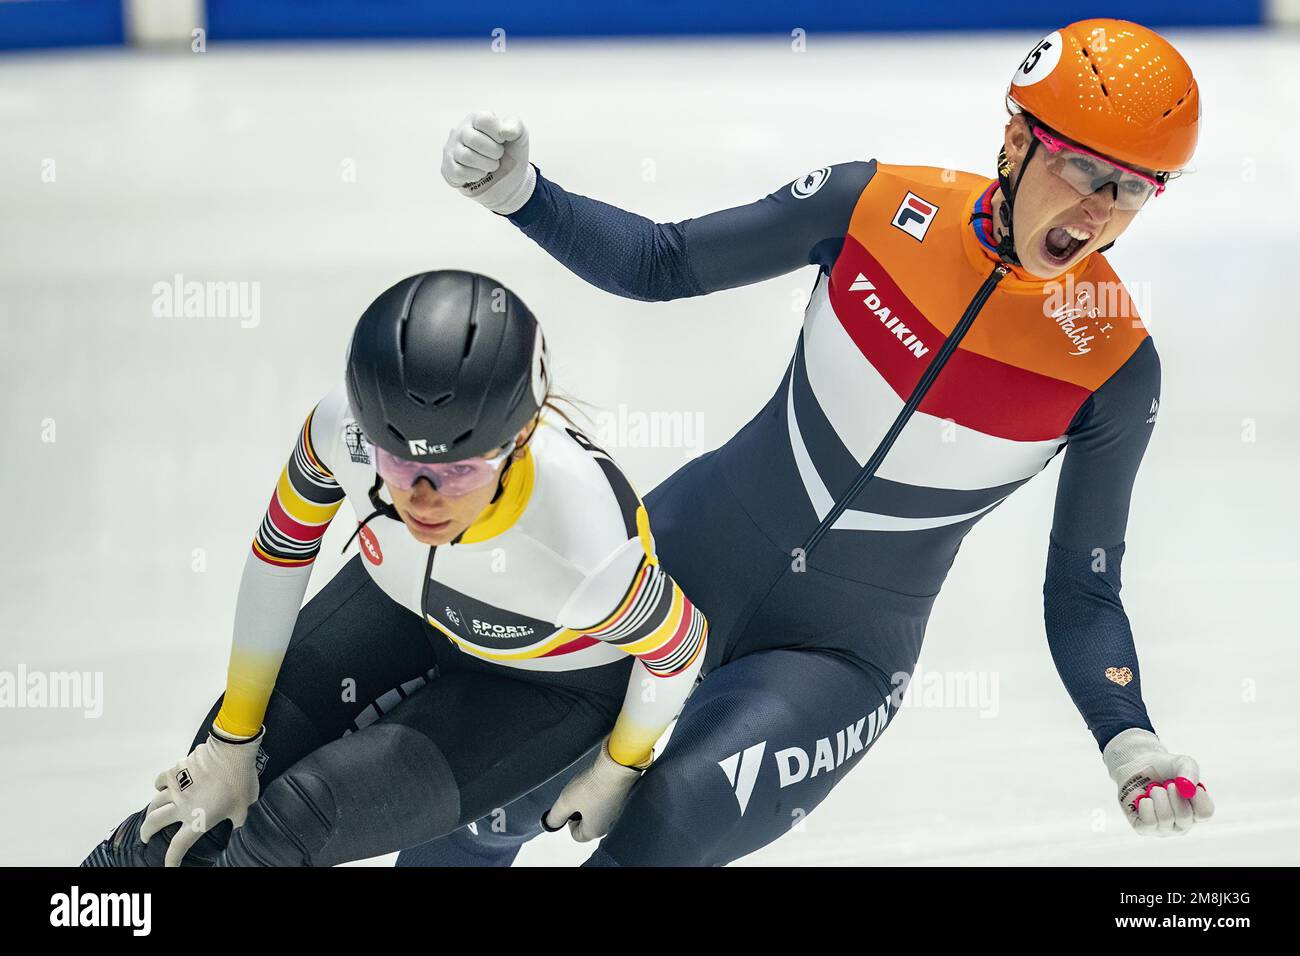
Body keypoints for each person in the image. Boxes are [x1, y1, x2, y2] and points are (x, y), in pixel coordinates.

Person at [413, 18, 1215, 867]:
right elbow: (662, 263)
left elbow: (1084, 590)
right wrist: (523, 194)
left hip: (837, 662)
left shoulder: (1116, 365)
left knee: (673, 822)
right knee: (484, 800)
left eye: (1132, 189)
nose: (1097, 210)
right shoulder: (870, 204)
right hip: (670, 570)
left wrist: (1127, 736)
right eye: (1083, 168)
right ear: (1016, 139)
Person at [82, 269, 707, 866]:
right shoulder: (341, 430)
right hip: (404, 606)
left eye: (460, 471)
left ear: (518, 442)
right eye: (401, 468)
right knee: (190, 815)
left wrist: (617, 767)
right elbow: (279, 557)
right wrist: (232, 741)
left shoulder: (582, 547)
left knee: (295, 823)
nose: (424, 500)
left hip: (542, 685)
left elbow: (681, 645)